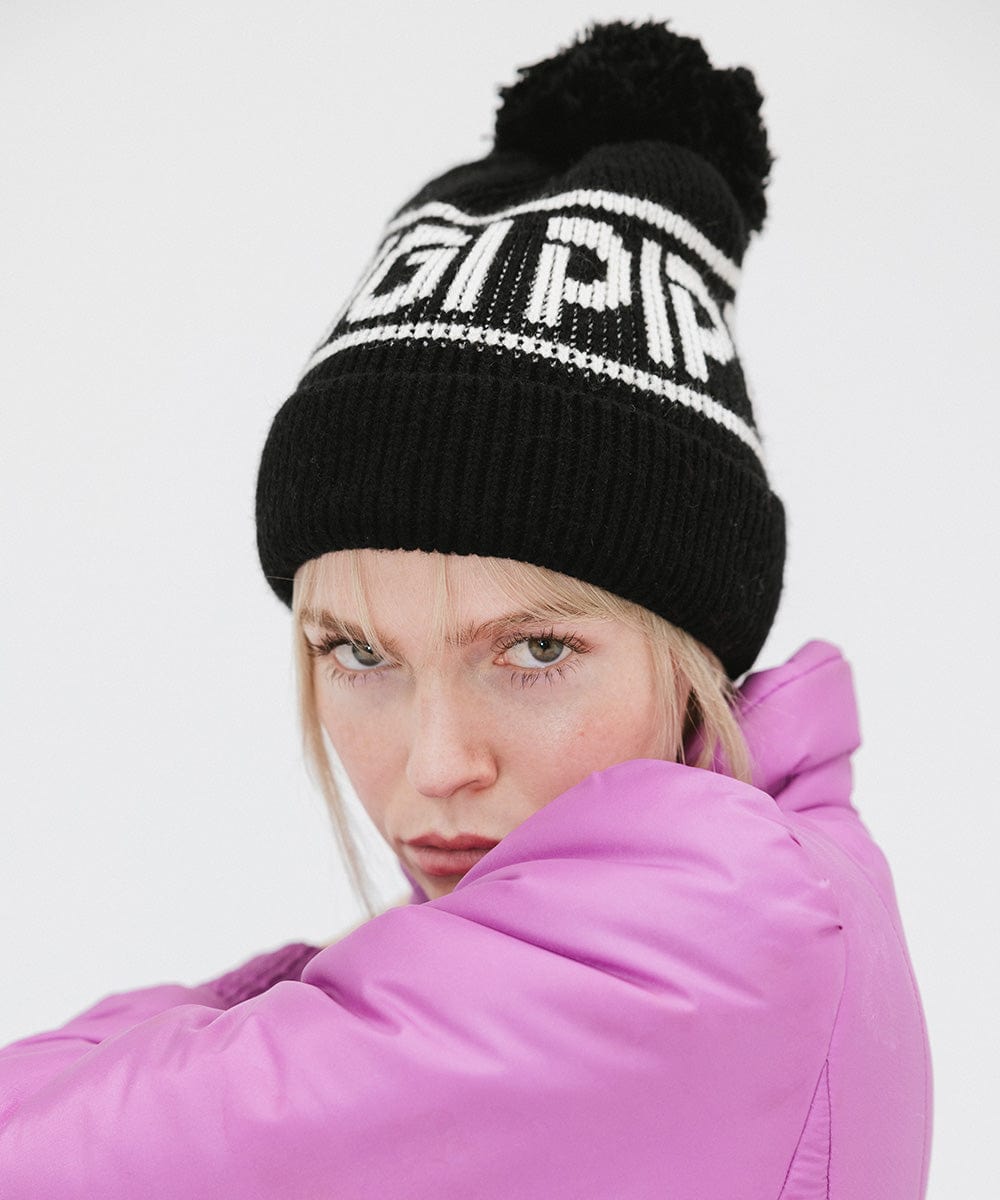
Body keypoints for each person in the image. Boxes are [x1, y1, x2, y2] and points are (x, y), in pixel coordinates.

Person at [0, 19, 932, 1198]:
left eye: (534, 648)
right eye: (357, 652)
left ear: (692, 643)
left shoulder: (722, 932)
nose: (436, 765)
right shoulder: (762, 892)